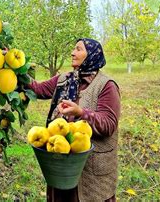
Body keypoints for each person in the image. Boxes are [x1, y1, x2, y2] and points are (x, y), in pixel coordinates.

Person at [28, 38, 121, 202]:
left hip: (91, 172)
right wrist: (14, 67)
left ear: (92, 55)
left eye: (78, 49)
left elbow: (108, 124)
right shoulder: (64, 79)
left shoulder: (106, 85)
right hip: (61, 162)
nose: (72, 52)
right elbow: (37, 89)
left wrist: (80, 112)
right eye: (73, 49)